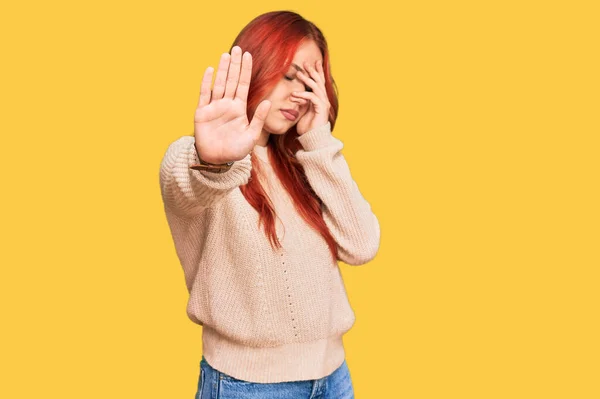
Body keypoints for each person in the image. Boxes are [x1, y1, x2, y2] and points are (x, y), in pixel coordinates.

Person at [159, 10, 380, 399]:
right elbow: (186, 181)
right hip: (249, 387)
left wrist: (319, 139)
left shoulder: (304, 162)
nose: (300, 93)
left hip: (333, 379)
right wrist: (213, 160)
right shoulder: (204, 161)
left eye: (312, 81)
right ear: (255, 65)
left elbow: (362, 245)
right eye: (290, 75)